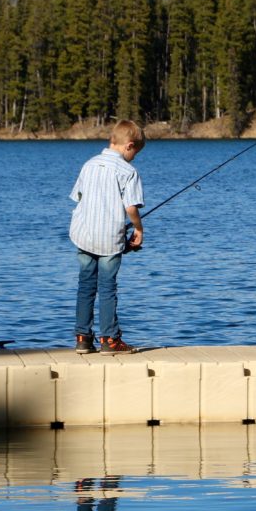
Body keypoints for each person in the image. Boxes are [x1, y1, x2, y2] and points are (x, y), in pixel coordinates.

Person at [69, 119, 145, 354]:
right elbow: (131, 208)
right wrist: (138, 229)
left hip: (83, 234)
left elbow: (79, 198)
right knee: (108, 288)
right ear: (129, 146)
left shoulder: (89, 164)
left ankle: (82, 338)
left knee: (85, 286)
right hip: (109, 238)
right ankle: (110, 341)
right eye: (135, 153)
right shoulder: (128, 171)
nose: (134, 158)